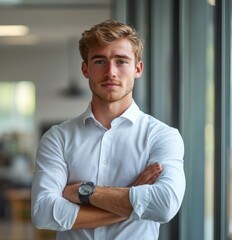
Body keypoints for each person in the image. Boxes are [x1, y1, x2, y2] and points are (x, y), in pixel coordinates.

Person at [31, 19, 185, 240]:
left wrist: (85, 192)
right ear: (85, 69)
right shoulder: (58, 138)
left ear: (137, 69)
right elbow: (43, 213)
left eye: (121, 61)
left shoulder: (162, 136)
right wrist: (134, 195)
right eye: (100, 61)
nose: (111, 72)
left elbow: (164, 205)